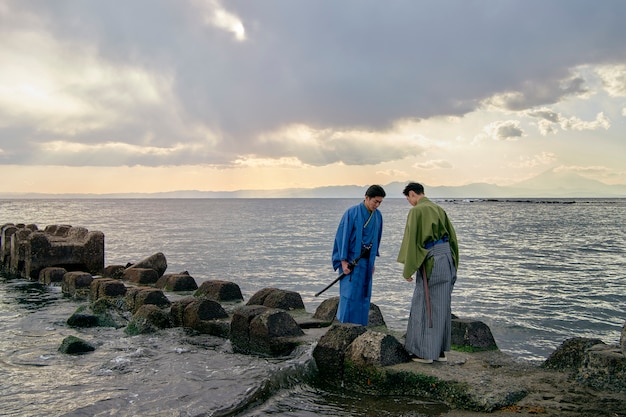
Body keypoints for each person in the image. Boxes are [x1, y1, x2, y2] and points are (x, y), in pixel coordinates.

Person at [397, 182, 458, 363]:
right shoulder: (439, 209)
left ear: (412, 194)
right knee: (442, 304)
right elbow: (453, 239)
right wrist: (453, 262)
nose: (410, 202)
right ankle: (439, 352)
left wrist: (408, 268)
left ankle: (424, 353)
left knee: (425, 304)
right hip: (446, 258)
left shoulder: (417, 211)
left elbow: (413, 241)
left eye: (408, 198)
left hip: (431, 260)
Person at [331, 184, 386, 326]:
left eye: (380, 202)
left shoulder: (378, 216)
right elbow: (342, 237)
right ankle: (344, 325)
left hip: (367, 261)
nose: (377, 205)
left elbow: (376, 238)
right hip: (351, 261)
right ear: (367, 198)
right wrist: (343, 262)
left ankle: (360, 326)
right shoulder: (352, 213)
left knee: (364, 294)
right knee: (349, 295)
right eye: (375, 201)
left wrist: (373, 263)